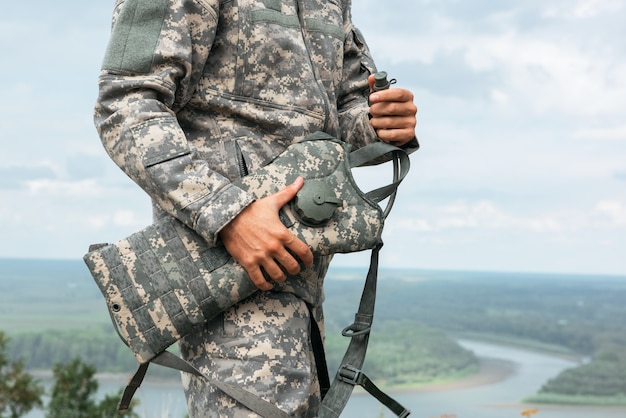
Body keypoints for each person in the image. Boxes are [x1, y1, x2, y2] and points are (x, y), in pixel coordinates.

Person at [94, 0, 418, 416]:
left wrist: (380, 122)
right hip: (225, 268)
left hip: (303, 268)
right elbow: (124, 101)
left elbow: (342, 113)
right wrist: (229, 214)